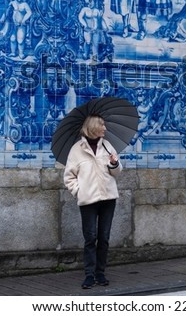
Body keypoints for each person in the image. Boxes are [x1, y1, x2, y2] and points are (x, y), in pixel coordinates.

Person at [63, 116, 122, 289]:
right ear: (94, 127)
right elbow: (68, 177)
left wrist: (114, 163)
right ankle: (89, 275)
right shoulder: (76, 150)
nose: (105, 128)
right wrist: (79, 191)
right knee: (90, 238)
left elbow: (117, 172)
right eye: (102, 125)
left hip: (108, 199)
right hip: (88, 201)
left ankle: (100, 273)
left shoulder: (107, 145)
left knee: (103, 238)